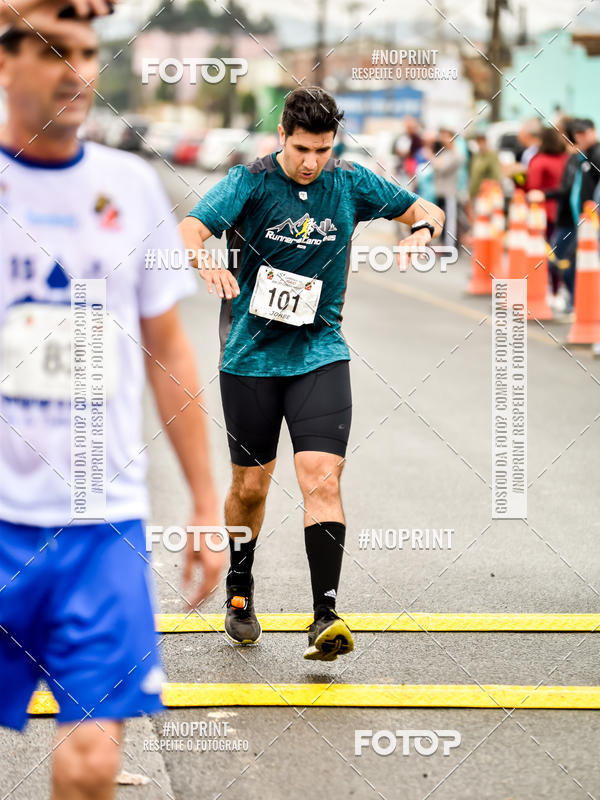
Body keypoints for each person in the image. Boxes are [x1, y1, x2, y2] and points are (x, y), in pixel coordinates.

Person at [0, 3, 224, 798]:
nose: (77, 68)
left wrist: (204, 501)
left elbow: (169, 352)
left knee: (95, 758)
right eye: (54, 49)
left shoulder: (128, 188)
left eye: (90, 52)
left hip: (102, 525)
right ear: (6, 61)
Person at [179, 86, 444, 661]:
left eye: (322, 150)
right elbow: (191, 228)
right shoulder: (250, 181)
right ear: (281, 136)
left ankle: (325, 614)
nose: (310, 161)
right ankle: (241, 587)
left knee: (322, 478)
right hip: (250, 357)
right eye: (301, 148)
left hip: (320, 352)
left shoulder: (347, 182)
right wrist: (206, 263)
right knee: (250, 488)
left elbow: (427, 209)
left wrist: (420, 231)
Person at [430, 126, 463, 246]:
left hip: (450, 192)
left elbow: (441, 167)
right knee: (442, 219)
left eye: (446, 136)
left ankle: (450, 245)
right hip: (440, 191)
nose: (443, 139)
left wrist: (434, 161)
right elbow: (435, 165)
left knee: (450, 221)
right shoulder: (444, 153)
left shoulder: (456, 154)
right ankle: (444, 243)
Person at [469, 131, 502, 199]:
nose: (481, 144)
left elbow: (496, 175)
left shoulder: (492, 155)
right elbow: (473, 176)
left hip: (488, 193)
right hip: (476, 192)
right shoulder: (476, 156)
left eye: (483, 141)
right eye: (479, 141)